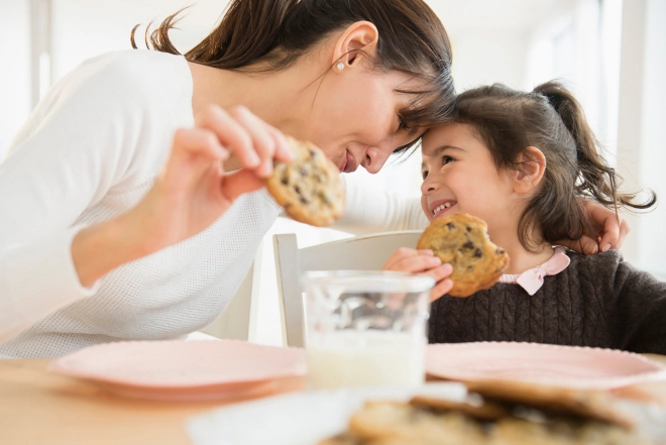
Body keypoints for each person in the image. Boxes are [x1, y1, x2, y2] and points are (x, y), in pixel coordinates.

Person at [0, 0, 625, 359]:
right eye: (398, 121)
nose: (379, 161)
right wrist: (133, 234)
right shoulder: (129, 94)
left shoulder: (281, 165)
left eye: (403, 149)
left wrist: (555, 206)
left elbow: (409, 212)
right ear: (352, 50)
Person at [386, 81, 665, 354]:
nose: (426, 185)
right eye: (425, 172)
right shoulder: (422, 287)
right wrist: (386, 309)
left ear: (524, 171)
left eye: (447, 160)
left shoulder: (603, 282)